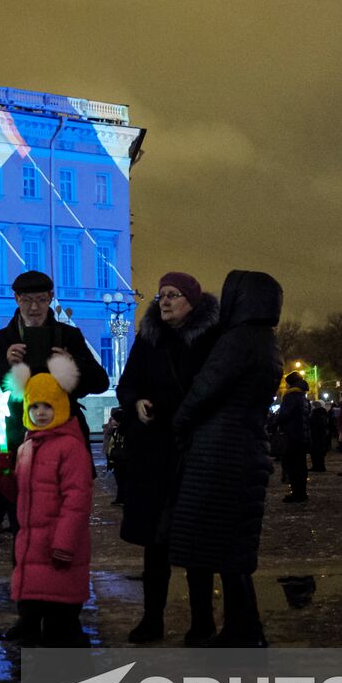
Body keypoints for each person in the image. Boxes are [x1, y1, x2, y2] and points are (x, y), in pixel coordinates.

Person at [167, 270, 284, 648]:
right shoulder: (266, 341)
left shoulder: (238, 340)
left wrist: (179, 422)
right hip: (242, 451)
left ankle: (244, 631)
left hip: (219, 457)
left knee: (218, 548)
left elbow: (207, 388)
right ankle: (240, 628)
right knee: (231, 549)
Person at [114, 271, 218, 643]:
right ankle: (152, 618)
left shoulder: (209, 339)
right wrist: (136, 402)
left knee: (196, 541)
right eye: (161, 296)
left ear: (192, 300)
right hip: (154, 453)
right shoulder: (148, 339)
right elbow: (127, 384)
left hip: (193, 450)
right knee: (155, 544)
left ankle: (202, 621)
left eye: (174, 295)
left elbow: (214, 390)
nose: (166, 301)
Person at [0, 270, 109, 536]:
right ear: (16, 299)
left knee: (65, 520)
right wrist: (4, 365)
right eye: (26, 300)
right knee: (21, 524)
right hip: (16, 440)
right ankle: (26, 572)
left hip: (64, 439)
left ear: (50, 299)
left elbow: (100, 382)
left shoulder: (69, 336)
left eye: (41, 300)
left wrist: (72, 364)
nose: (34, 307)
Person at [0, 357, 93, 649]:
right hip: (33, 548)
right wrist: (3, 473)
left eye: (47, 406)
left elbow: (76, 500)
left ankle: (70, 680)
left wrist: (64, 543)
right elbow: (19, 495)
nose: (40, 413)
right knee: (39, 617)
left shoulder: (70, 447)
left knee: (62, 624)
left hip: (58, 551)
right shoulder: (27, 445)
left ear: (60, 406)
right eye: (34, 406)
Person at [275, 371, 311, 503]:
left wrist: (275, 424)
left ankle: (297, 493)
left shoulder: (291, 396)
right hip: (303, 435)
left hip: (292, 435)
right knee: (301, 465)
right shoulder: (303, 396)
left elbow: (284, 414)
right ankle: (302, 492)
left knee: (293, 465)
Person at [308, 400, 332, 473]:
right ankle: (318, 466)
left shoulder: (317, 413)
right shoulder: (322, 413)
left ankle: (318, 466)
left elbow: (315, 424)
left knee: (317, 451)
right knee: (318, 452)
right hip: (319, 435)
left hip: (316, 435)